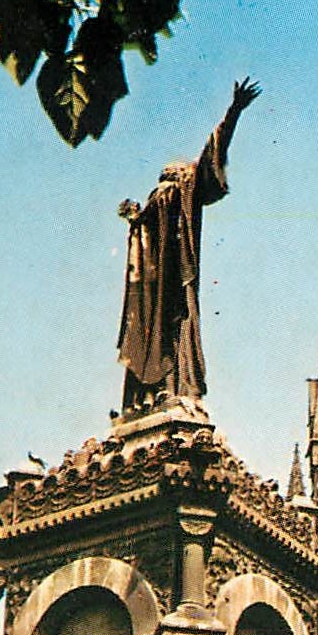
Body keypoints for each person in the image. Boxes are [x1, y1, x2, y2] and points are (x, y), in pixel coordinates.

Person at [117, 78, 260, 413]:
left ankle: (169, 390)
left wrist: (233, 113)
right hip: (156, 287)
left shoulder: (183, 194)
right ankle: (151, 395)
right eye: (169, 179)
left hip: (173, 282)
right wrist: (136, 219)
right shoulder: (160, 202)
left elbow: (214, 150)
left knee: (174, 332)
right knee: (156, 335)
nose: (170, 186)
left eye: (177, 178)